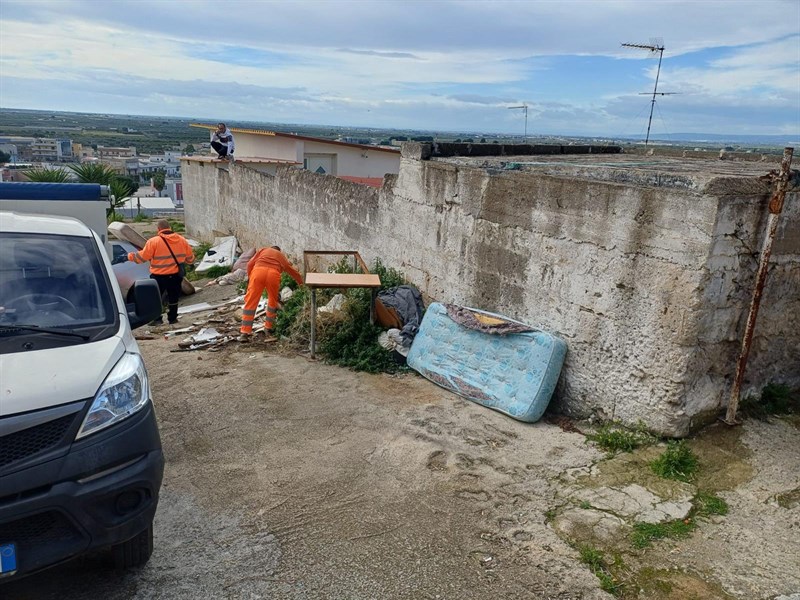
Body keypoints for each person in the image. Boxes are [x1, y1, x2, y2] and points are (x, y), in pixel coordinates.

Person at [128, 219, 194, 325]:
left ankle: (157, 319)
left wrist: (130, 256)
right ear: (170, 227)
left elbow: (142, 257)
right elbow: (190, 258)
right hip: (176, 275)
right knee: (173, 297)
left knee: (156, 298)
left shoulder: (153, 241)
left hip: (159, 276)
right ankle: (172, 319)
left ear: (158, 229)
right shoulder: (182, 240)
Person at [239, 246, 303, 342]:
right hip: (273, 275)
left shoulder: (263, 250)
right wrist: (301, 284)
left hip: (258, 273)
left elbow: (249, 264)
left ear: (271, 248)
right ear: (278, 250)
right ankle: (268, 328)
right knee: (273, 301)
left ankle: (244, 333)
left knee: (251, 301)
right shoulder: (281, 256)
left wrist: (249, 278)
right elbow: (292, 271)